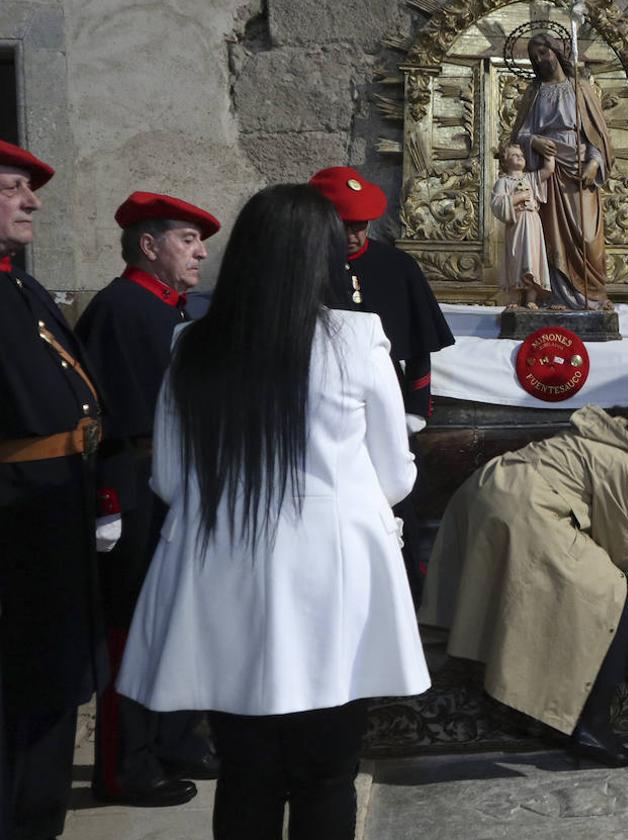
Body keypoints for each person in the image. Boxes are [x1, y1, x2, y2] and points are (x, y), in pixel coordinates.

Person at [115, 183, 431, 838]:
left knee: (246, 770)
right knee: (325, 771)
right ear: (319, 257)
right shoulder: (356, 336)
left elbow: (170, 478)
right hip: (331, 576)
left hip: (225, 572)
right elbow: (395, 475)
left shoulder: (193, 342)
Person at [420, 406, 628, 767]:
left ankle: (536, 710)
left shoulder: (614, 436)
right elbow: (617, 545)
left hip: (490, 488)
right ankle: (591, 727)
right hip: (522, 507)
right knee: (611, 597)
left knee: (539, 600)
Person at [75, 191, 223, 806]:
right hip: (135, 490)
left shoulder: (175, 310)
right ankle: (124, 764)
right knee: (131, 628)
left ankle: (176, 738)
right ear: (149, 245)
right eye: (187, 239)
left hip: (177, 485)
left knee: (179, 619)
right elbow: (102, 418)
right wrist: (108, 501)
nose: (200, 251)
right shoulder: (119, 308)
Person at [0, 140, 108, 839]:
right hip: (13, 522)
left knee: (50, 679)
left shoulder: (20, 285)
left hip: (49, 512)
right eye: (13, 187)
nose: (33, 199)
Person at [309, 165, 454, 604]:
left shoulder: (396, 266)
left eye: (360, 225)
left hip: (388, 405)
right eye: (344, 226)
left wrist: (415, 408)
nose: (353, 235)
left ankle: (406, 589)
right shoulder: (304, 268)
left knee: (397, 504)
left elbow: (419, 346)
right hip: (329, 414)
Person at [512, 32, 615, 309]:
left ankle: (590, 297)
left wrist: (594, 164)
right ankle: (556, 296)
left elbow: (598, 136)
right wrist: (534, 140)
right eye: (534, 58)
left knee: (587, 237)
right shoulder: (535, 93)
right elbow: (519, 135)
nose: (540, 60)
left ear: (557, 52)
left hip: (580, 167)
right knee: (551, 234)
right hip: (550, 169)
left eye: (543, 53)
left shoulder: (579, 88)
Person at [491, 142, 553, 308]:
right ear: (505, 161)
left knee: (533, 259)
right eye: (514, 155)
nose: (519, 157)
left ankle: (531, 299)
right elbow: (497, 204)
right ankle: (515, 299)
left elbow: (549, 170)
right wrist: (519, 197)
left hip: (532, 222)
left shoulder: (530, 178)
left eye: (521, 155)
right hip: (516, 224)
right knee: (516, 258)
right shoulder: (503, 182)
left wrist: (549, 149)